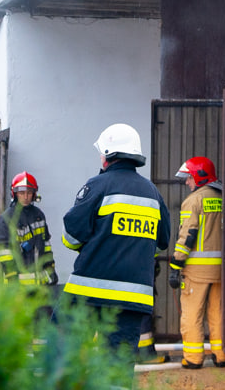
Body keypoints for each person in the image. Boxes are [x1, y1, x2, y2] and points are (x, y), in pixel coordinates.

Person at [62, 123, 171, 360]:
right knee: (117, 367)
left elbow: (70, 237)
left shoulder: (98, 185)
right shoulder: (153, 194)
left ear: (108, 156)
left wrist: (100, 242)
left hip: (88, 292)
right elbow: (162, 242)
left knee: (63, 356)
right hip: (132, 298)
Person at [168, 156, 225, 369]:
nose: (187, 182)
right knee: (218, 312)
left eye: (189, 178)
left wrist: (176, 263)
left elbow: (188, 234)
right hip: (222, 269)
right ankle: (221, 355)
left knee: (192, 313)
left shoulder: (193, 201)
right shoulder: (224, 196)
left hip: (197, 271)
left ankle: (193, 358)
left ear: (200, 177)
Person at [0, 171, 58, 288]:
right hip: (17, 286)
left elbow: (46, 246)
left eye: (29, 193)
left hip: (41, 285)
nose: (25, 197)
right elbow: (4, 252)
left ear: (34, 194)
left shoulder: (39, 215)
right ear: (14, 194)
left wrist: (51, 269)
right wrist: (11, 276)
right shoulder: (7, 218)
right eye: (22, 193)